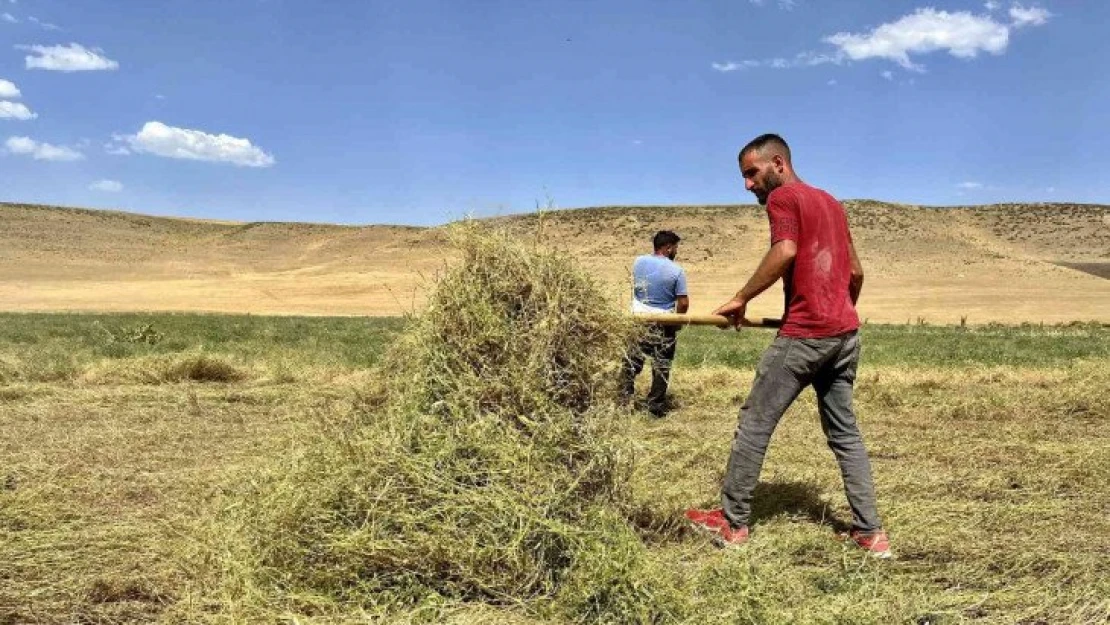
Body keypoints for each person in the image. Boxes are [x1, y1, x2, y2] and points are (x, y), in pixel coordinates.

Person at [685, 134, 891, 558]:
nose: (747, 185)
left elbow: (785, 251)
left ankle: (731, 522)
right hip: (845, 335)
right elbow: (854, 272)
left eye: (751, 173)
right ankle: (870, 534)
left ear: (777, 164)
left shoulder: (785, 199)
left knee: (754, 424)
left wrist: (742, 297)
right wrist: (836, 310)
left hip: (805, 336)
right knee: (845, 434)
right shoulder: (832, 203)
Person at [623, 230, 688, 417]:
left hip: (638, 319)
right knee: (662, 365)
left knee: (630, 362)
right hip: (663, 322)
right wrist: (678, 321)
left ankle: (624, 400)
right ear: (668, 248)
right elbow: (683, 302)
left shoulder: (638, 262)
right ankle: (654, 407)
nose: (676, 251)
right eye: (675, 247)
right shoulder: (676, 270)